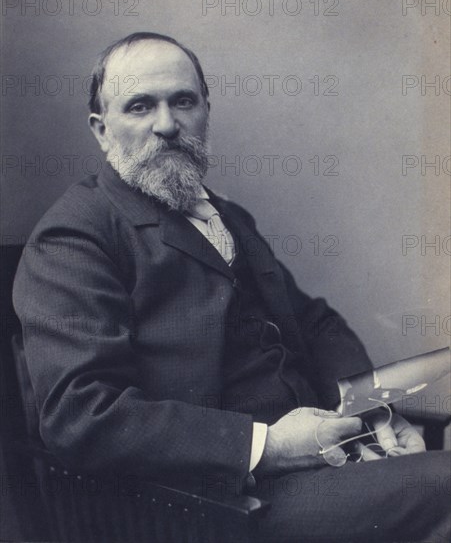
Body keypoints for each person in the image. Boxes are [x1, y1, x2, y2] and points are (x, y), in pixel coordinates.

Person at [13, 32, 450, 543]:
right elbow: (79, 415)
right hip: (217, 503)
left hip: (324, 464)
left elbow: (314, 321)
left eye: (183, 101)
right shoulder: (75, 236)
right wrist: (266, 446)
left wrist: (371, 411)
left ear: (205, 111)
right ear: (102, 130)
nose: (167, 125)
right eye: (139, 106)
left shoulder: (225, 217)